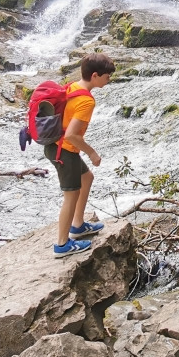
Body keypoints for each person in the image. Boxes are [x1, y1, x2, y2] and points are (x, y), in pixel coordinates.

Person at [46, 52, 116, 257]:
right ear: (95, 76)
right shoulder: (87, 101)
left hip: (55, 145)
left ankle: (77, 226)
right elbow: (71, 135)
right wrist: (93, 153)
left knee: (87, 177)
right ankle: (61, 245)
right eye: (107, 76)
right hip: (63, 150)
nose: (109, 80)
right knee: (71, 194)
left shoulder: (72, 86)